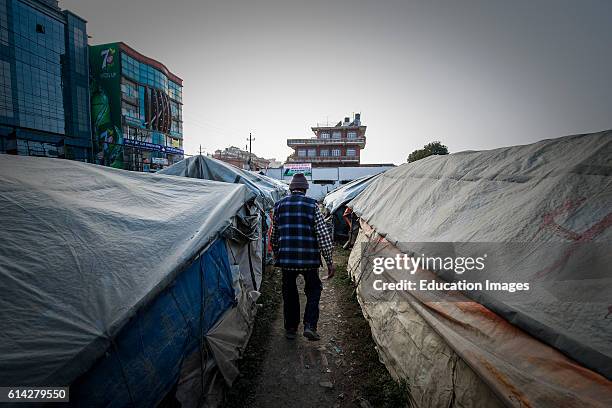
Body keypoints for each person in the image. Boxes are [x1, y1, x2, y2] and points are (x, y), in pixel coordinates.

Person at [271, 173, 335, 341]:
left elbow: (274, 235)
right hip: (309, 260)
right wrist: (329, 262)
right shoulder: (312, 205)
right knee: (314, 290)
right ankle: (309, 326)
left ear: (291, 189)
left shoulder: (279, 206)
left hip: (286, 260)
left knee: (289, 293)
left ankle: (291, 329)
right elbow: (322, 236)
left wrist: (277, 254)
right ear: (305, 189)